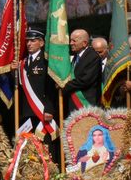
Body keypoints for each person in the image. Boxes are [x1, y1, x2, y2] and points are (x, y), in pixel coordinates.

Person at [14, 29, 58, 160]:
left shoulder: (47, 61)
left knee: (45, 145)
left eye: (33, 41)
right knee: (29, 147)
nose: (29, 44)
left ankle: (50, 172)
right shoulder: (22, 63)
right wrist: (13, 72)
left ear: (41, 43)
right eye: (27, 41)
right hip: (26, 112)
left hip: (42, 111)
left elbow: (51, 89)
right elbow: (20, 88)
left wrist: (49, 109)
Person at [62, 29, 102, 112]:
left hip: (87, 103)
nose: (71, 43)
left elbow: (85, 80)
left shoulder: (93, 57)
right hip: (73, 103)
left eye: (74, 41)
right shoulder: (76, 57)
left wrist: (64, 85)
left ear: (84, 43)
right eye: (70, 40)